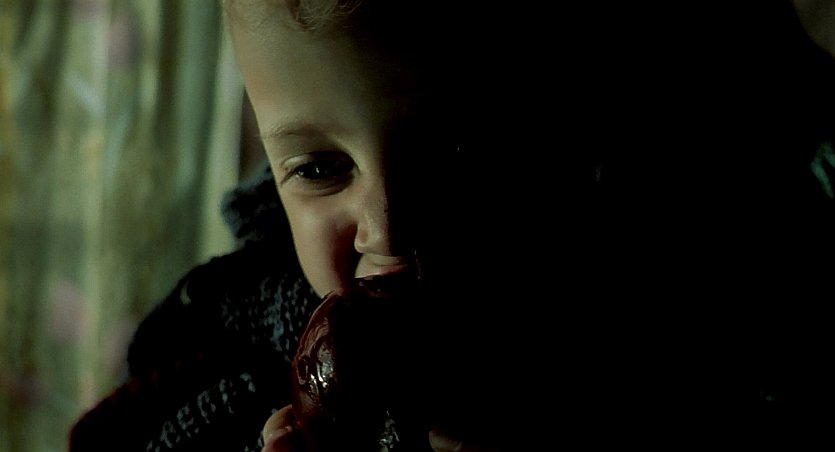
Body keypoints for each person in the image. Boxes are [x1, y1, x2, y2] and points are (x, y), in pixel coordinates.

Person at [70, 1, 835, 450]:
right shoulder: (242, 326)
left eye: (453, 152)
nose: (386, 227)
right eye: (320, 168)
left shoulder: (640, 325)